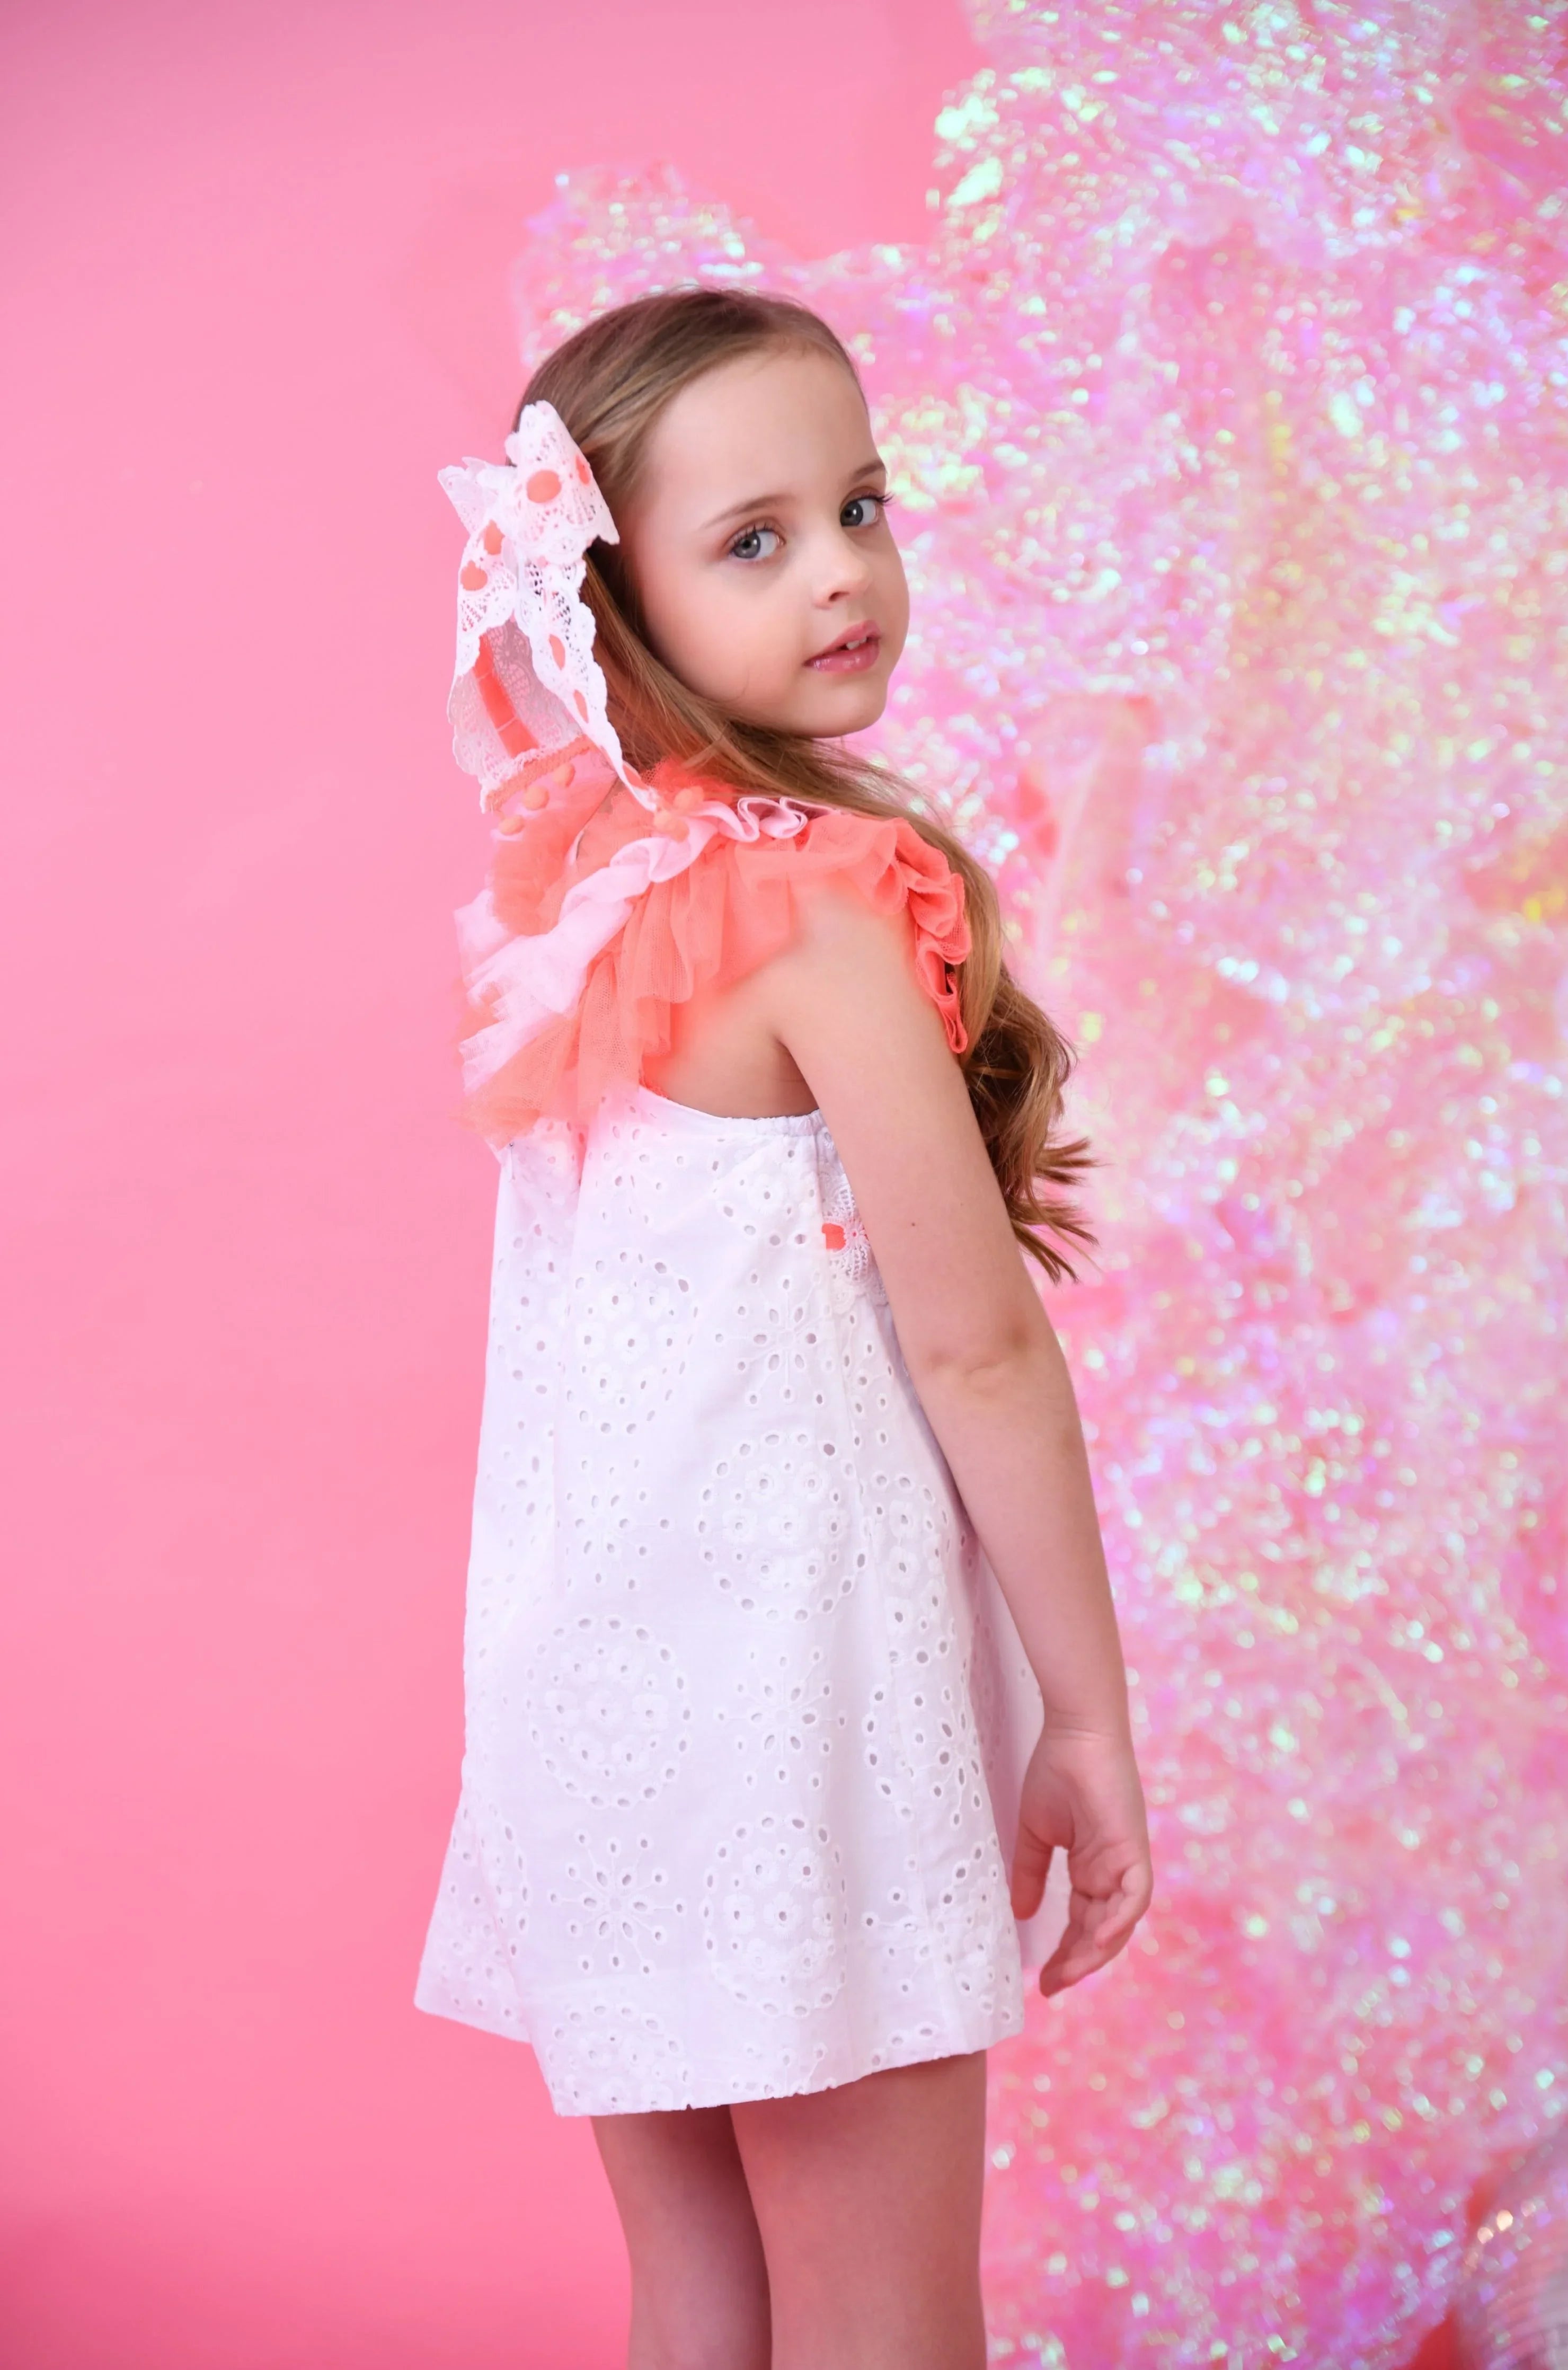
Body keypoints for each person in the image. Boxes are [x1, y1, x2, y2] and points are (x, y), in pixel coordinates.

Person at [417, 287, 1152, 2370]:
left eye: (860, 505)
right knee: (884, 2312)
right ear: (616, 597)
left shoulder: (581, 899)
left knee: (703, 2294)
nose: (840, 569)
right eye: (752, 539)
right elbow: (978, 1349)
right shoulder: (815, 906)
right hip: (792, 1720)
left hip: (587, 1702)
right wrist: (1085, 1718)